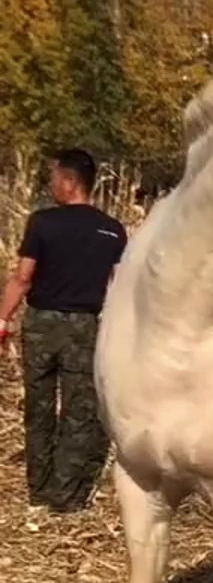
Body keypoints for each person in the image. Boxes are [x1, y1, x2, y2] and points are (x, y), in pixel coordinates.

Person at [0, 148, 127, 512]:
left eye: (54, 176)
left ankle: (38, 491)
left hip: (41, 324)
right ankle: (66, 496)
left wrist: (3, 321)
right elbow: (119, 286)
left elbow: (23, 278)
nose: (50, 183)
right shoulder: (112, 230)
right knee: (79, 410)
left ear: (70, 182)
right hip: (85, 327)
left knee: (38, 406)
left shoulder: (42, 223)